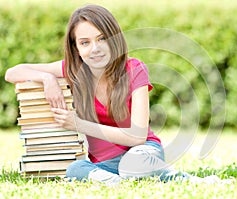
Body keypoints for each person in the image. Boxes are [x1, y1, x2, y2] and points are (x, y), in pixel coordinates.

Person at [5, 4, 224, 186]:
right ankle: (120, 181)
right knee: (75, 169)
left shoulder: (134, 69)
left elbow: (138, 136)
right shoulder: (73, 71)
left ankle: (186, 180)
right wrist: (47, 79)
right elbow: (12, 72)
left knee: (134, 165)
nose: (95, 48)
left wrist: (79, 124)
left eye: (102, 39)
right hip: (106, 162)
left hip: (142, 150)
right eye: (85, 42)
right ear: (76, 49)